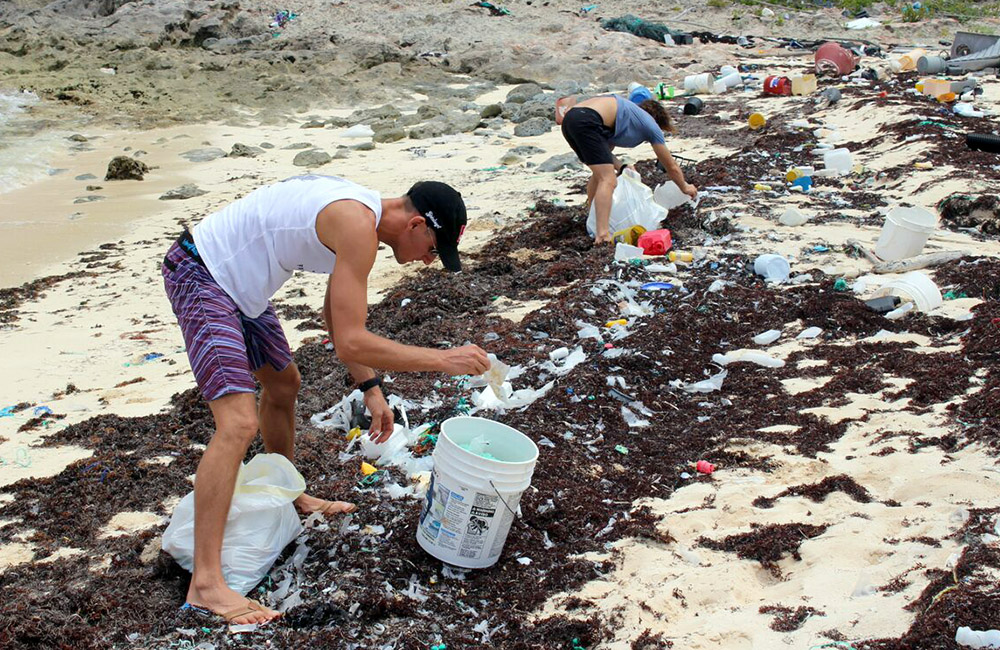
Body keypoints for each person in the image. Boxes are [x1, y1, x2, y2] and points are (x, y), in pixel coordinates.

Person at [161, 174, 490, 624]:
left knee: (283, 384)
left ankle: (289, 494)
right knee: (237, 424)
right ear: (416, 225)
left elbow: (335, 320)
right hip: (203, 274)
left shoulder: (362, 221)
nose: (429, 262)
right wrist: (442, 359)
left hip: (241, 288)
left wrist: (371, 390)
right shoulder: (357, 226)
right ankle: (206, 585)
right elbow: (352, 342)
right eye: (434, 250)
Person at [559, 94, 698, 243]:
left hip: (570, 121)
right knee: (608, 180)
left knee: (599, 175)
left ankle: (594, 218)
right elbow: (671, 166)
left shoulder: (622, 116)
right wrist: (684, 186)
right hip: (586, 120)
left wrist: (622, 166)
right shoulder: (650, 124)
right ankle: (603, 235)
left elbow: (605, 156)